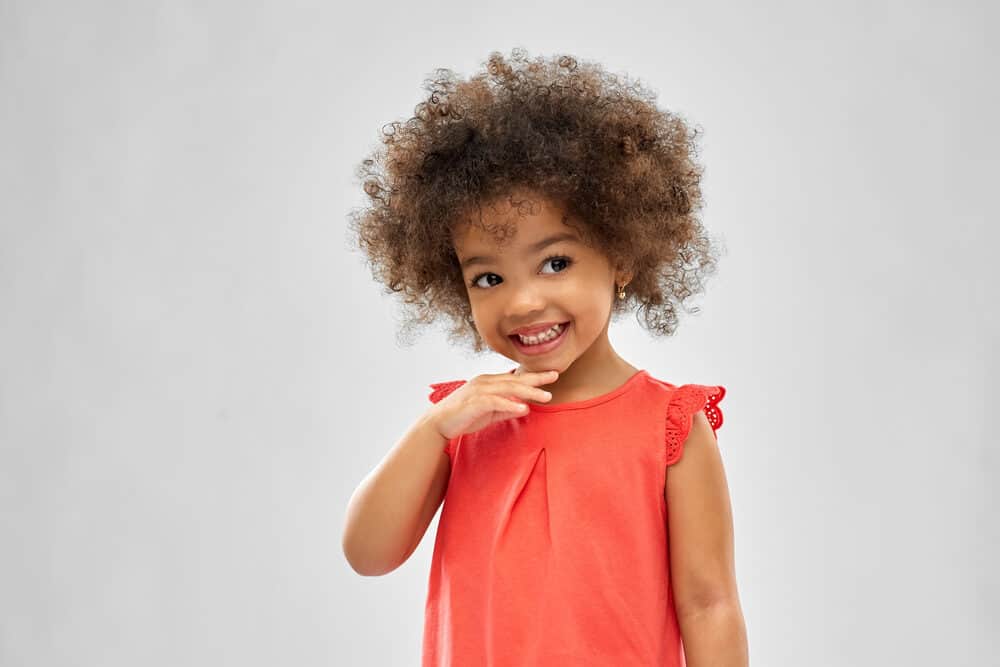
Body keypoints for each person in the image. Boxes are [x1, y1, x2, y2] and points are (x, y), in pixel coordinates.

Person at [342, 48, 748, 666]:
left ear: (621, 257)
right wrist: (434, 428)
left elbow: (709, 602)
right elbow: (367, 553)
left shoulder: (670, 426)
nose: (524, 302)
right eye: (487, 278)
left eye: (555, 263)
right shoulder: (464, 424)